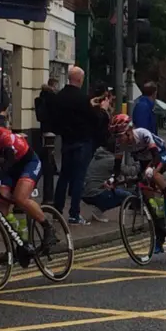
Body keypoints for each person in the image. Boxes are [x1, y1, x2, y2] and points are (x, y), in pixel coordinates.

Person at [0, 110, 57, 266]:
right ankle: (20, 244)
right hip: (9, 170)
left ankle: (48, 228)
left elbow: (9, 159)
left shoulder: (1, 134)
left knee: (20, 198)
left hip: (28, 163)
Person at [107, 114, 166, 253]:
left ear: (129, 131)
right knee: (149, 200)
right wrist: (113, 179)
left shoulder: (143, 134)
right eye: (116, 137)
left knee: (153, 174)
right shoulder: (120, 144)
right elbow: (117, 165)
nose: (119, 140)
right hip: (145, 162)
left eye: (120, 136)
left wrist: (150, 168)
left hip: (161, 156)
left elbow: (156, 156)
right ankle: (160, 236)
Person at [53, 66, 107, 225]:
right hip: (82, 142)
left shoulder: (60, 96)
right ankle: (74, 214)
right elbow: (93, 119)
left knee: (64, 177)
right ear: (80, 80)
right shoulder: (82, 98)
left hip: (66, 141)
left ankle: (56, 210)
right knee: (78, 179)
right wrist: (102, 111)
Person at [82, 141, 137, 223]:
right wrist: (139, 164)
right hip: (94, 193)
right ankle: (98, 211)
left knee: (117, 188)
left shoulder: (98, 155)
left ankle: (99, 208)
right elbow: (129, 171)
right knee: (127, 196)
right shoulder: (111, 160)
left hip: (85, 192)